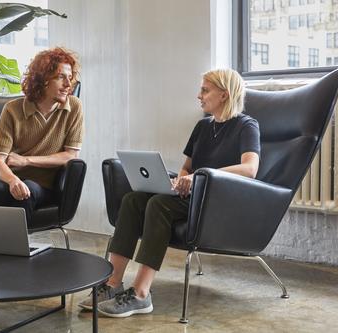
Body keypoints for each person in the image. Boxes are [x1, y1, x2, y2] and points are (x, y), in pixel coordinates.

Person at [79, 68, 260, 317]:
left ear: (224, 95)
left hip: (217, 201)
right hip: (190, 195)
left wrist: (198, 176)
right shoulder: (203, 126)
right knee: (133, 200)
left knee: (159, 204)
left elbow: (250, 169)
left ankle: (141, 294)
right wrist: (181, 181)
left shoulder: (246, 125)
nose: (199, 95)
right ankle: (112, 284)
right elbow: (186, 166)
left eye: (205, 90)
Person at [0, 47, 84, 222]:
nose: (68, 84)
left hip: (43, 186)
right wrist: (13, 181)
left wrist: (26, 160)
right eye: (61, 77)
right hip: (9, 178)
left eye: (70, 77)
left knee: (25, 192)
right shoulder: (12, 109)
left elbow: (71, 156)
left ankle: (6, 247)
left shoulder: (74, 107)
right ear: (43, 80)